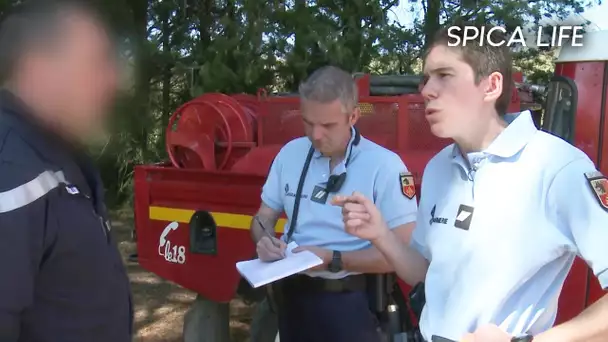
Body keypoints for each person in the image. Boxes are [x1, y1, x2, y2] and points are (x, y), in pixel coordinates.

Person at [333, 23, 608, 342]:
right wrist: (380, 234)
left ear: (491, 86)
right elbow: (424, 272)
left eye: (444, 76)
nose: (426, 90)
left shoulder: (558, 168)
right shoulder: (439, 167)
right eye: (426, 78)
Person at [249, 65, 418, 342]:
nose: (315, 135)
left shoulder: (385, 166)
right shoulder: (289, 154)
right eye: (307, 122)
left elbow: (403, 255)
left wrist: (333, 259)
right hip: (292, 298)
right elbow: (261, 218)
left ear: (353, 116)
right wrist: (264, 238)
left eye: (327, 125)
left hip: (352, 305)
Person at [0, 2, 132, 342]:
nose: (115, 80)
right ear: (39, 68)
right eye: (96, 63)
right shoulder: (10, 169)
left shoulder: (61, 152)